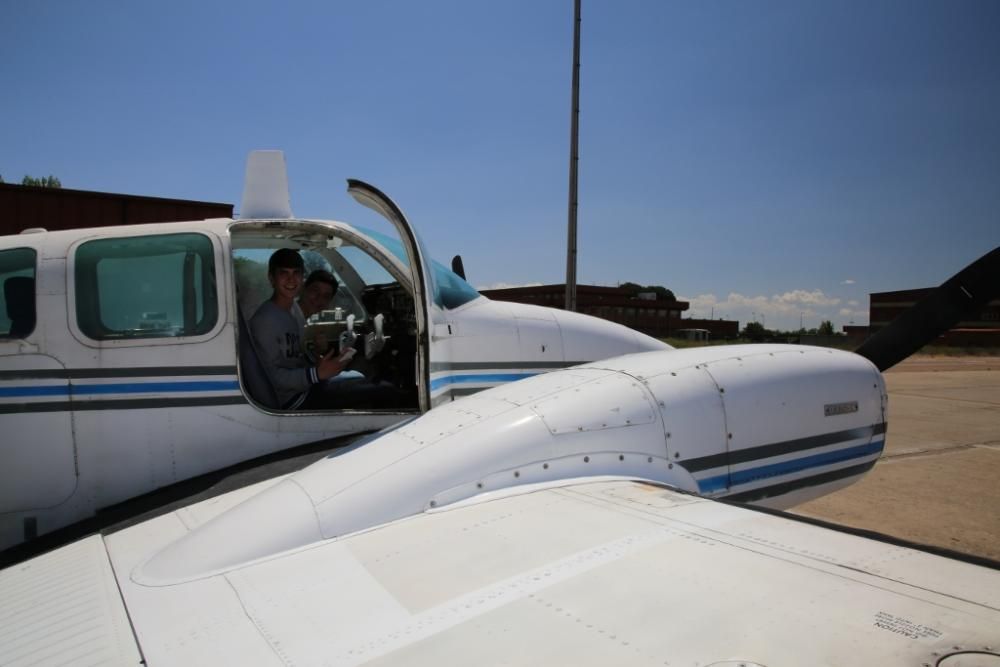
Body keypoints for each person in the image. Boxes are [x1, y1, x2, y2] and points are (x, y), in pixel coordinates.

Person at [250, 249, 354, 410]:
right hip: (288, 401)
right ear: (272, 278)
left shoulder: (292, 313)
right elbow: (270, 378)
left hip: (300, 390)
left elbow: (292, 361)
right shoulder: (265, 320)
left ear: (302, 278)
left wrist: (317, 363)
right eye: (284, 273)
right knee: (374, 392)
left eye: (296, 273)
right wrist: (317, 374)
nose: (291, 279)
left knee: (357, 379)